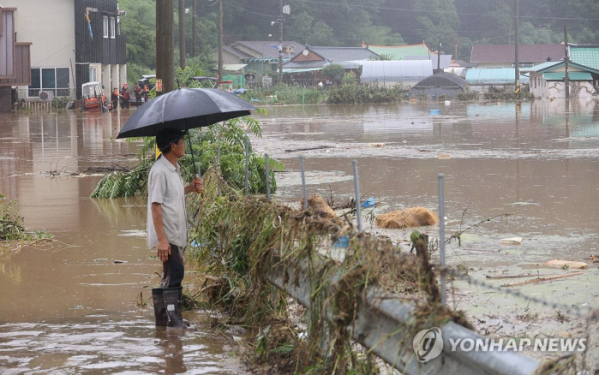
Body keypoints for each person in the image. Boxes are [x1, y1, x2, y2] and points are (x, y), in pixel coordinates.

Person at [148, 128, 203, 328]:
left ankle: (165, 322)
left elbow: (173, 196)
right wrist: (162, 240)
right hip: (168, 235)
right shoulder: (160, 171)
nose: (184, 145)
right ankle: (174, 323)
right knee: (175, 274)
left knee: (171, 275)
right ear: (173, 146)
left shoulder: (172, 168)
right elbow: (156, 205)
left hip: (174, 233)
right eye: (182, 141)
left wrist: (190, 188)